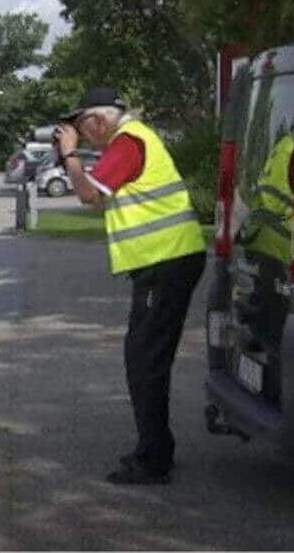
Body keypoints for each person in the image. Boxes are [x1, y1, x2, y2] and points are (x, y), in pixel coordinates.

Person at [53, 87, 206, 485]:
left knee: (144, 360)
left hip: (166, 260)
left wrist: (69, 156)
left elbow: (89, 195)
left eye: (82, 127)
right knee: (144, 357)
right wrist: (75, 156)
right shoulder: (132, 140)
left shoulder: (128, 143)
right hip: (166, 260)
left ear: (99, 120)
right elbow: (102, 197)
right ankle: (156, 449)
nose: (82, 135)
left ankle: (153, 459)